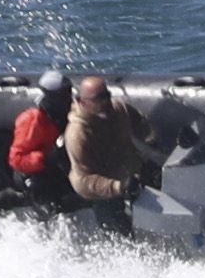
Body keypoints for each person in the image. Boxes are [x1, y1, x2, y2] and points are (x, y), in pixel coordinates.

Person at [63, 73, 165, 234]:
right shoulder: (78, 133)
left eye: (107, 95)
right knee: (116, 230)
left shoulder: (119, 110)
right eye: (98, 98)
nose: (105, 102)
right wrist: (118, 187)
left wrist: (159, 148)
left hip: (131, 173)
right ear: (82, 102)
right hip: (102, 188)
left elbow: (144, 129)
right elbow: (83, 180)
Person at [4, 69, 78, 208]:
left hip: (62, 168)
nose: (67, 98)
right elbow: (16, 159)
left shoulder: (73, 114)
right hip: (35, 173)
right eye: (61, 95)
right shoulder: (32, 120)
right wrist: (47, 158)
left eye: (67, 92)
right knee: (41, 187)